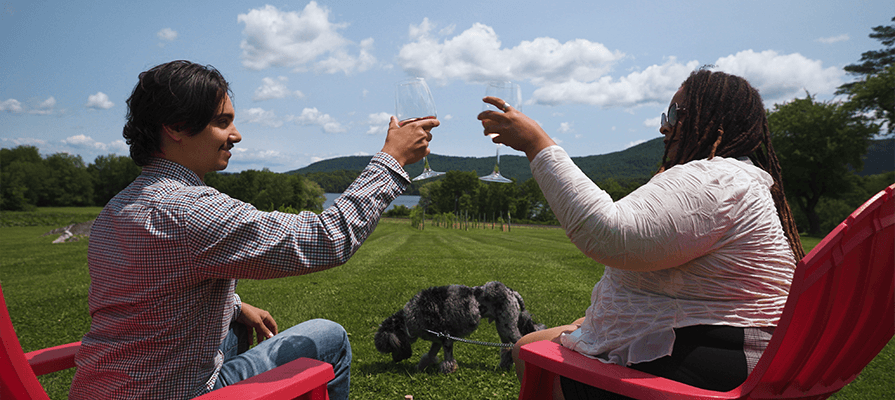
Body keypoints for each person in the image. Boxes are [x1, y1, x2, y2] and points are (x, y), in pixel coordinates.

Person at [69, 60, 438, 400]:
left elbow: (149, 290)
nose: (237, 134)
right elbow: (327, 238)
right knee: (331, 337)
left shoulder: (117, 208)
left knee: (233, 329)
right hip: (175, 392)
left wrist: (235, 305)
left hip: (101, 386)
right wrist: (392, 160)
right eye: (222, 121)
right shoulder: (191, 210)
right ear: (177, 127)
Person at [478, 69, 804, 399]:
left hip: (716, 361)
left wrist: (537, 144)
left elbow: (611, 235)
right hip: (726, 346)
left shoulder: (716, 180)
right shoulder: (735, 177)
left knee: (531, 356)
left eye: (676, 113)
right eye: (666, 114)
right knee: (532, 343)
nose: (664, 124)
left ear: (717, 121)